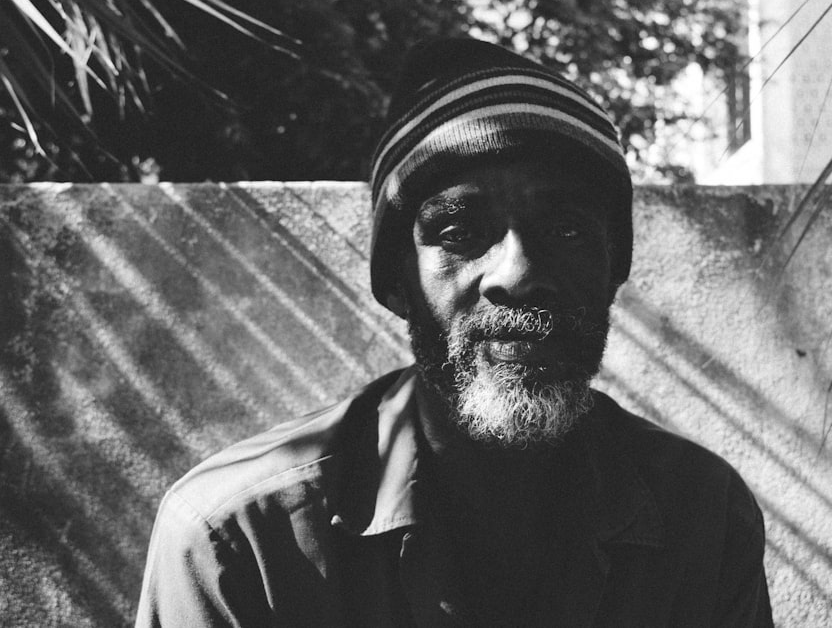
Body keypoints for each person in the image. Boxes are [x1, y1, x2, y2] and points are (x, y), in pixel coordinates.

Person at [135, 37, 773, 627]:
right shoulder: (239, 538)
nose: (518, 274)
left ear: (613, 270)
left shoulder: (703, 515)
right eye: (460, 232)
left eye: (568, 230)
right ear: (396, 282)